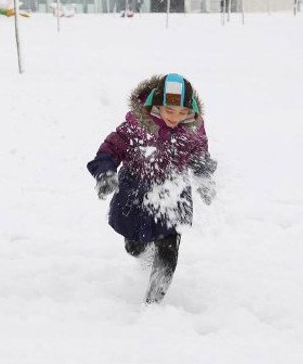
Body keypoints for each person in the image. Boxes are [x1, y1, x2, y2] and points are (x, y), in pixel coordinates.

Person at [87, 73, 217, 304]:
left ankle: (154, 302)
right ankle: (144, 252)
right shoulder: (137, 126)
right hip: (136, 191)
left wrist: (204, 177)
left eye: (183, 112)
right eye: (170, 111)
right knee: (134, 246)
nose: (176, 118)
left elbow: (199, 156)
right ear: (155, 106)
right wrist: (105, 172)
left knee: (169, 245)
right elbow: (110, 149)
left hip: (173, 191)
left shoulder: (193, 129)